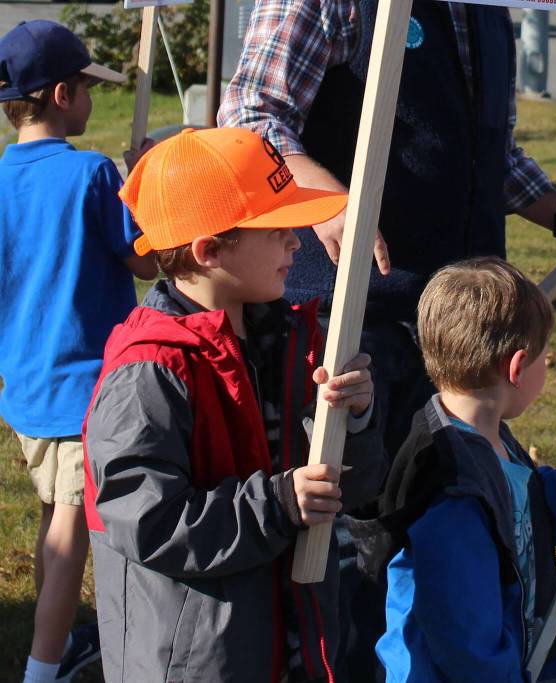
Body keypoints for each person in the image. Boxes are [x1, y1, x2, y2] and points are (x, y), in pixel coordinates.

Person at [220, 3, 556, 677]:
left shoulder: (484, 10)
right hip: (353, 316)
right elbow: (249, 117)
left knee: (468, 518)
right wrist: (331, 200)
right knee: (355, 548)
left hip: (458, 326)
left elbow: (485, 149)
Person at [82, 127, 387, 682]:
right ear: (209, 250)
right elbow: (146, 521)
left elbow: (356, 490)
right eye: (276, 228)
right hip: (202, 662)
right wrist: (276, 503)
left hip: (290, 647)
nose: (298, 241)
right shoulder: (149, 370)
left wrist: (354, 420)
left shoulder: (291, 343)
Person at [362, 257, 556, 681]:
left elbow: (523, 509)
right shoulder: (452, 486)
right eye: (545, 359)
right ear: (517, 366)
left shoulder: (491, 442)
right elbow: (463, 632)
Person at [0, 20, 158, 683]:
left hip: (25, 383)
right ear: (63, 94)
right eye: (90, 86)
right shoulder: (93, 173)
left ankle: (51, 642)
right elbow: (146, 258)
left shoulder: (3, 174)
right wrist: (145, 180)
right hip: (84, 385)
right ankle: (43, 668)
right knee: (70, 528)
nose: (93, 98)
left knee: (51, 517)